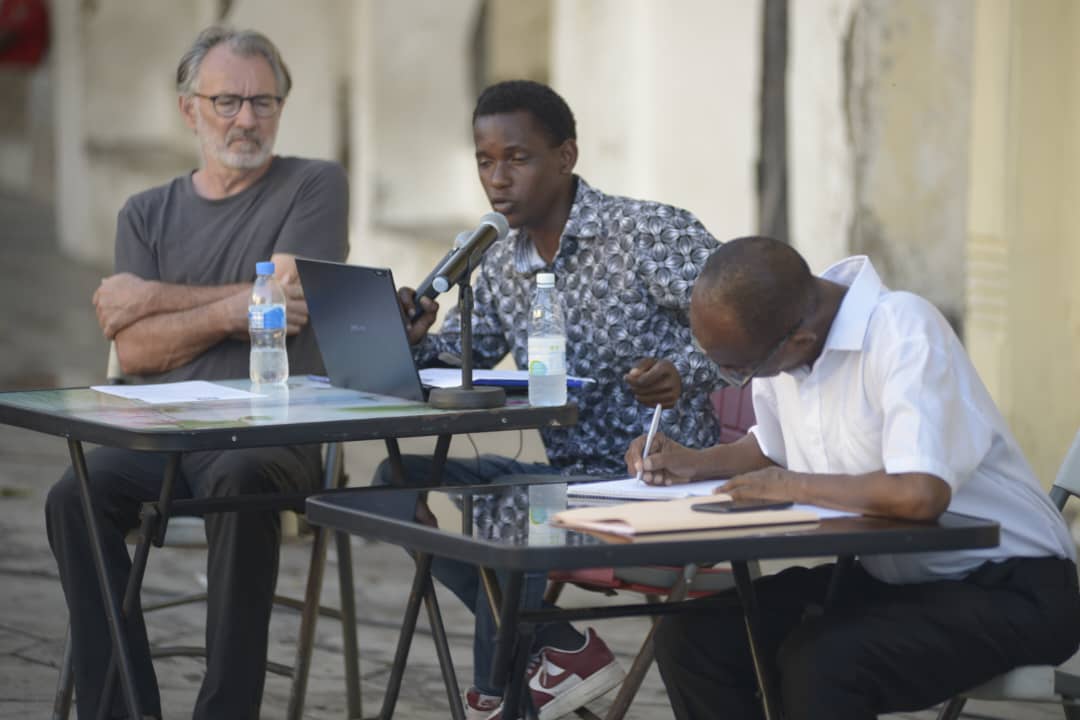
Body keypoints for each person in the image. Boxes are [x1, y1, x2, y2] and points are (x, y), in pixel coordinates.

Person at [626, 236, 1080, 720]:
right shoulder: (784, 342)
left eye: (738, 369)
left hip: (1010, 587)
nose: (733, 376)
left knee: (824, 663)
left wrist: (794, 485)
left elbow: (920, 493)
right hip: (894, 578)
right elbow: (768, 447)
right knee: (695, 639)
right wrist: (693, 461)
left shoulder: (903, 331)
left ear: (797, 340)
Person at [385, 80, 724, 719]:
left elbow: (752, 324)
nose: (497, 179)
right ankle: (552, 641)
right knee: (391, 481)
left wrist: (685, 371)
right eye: (485, 161)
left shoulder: (646, 231)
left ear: (566, 156)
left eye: (518, 158)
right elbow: (467, 357)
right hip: (562, 482)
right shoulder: (499, 260)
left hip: (656, 478)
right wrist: (411, 340)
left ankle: (499, 694)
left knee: (514, 509)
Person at [44, 26, 348, 719]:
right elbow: (141, 354)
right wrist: (238, 306)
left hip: (275, 433)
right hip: (165, 436)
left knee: (240, 482)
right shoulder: (145, 213)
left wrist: (152, 301)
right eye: (228, 101)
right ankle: (122, 708)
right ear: (190, 110)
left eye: (264, 102)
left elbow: (288, 309)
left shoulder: (315, 184)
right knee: (72, 496)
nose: (247, 119)